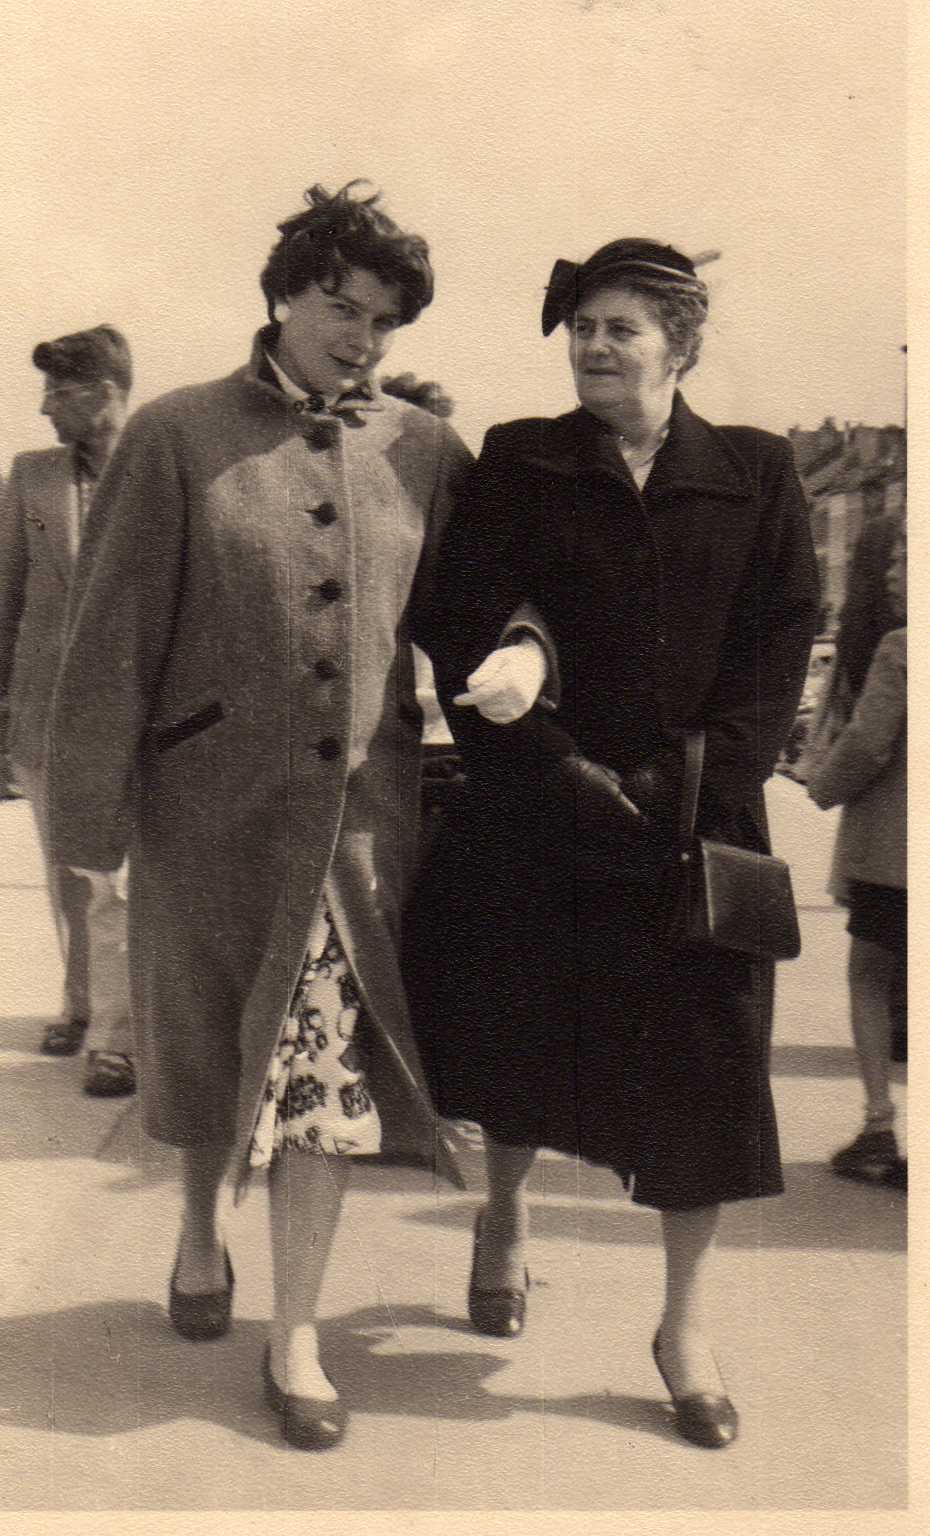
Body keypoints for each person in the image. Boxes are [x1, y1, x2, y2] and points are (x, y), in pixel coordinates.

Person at [46, 182, 542, 1451]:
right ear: (281, 295)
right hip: (206, 819)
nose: (360, 336)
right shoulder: (175, 434)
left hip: (358, 833)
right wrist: (91, 830)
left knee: (323, 1077)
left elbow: (489, 599)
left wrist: (524, 647)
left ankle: (298, 1335)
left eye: (382, 319)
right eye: (339, 305)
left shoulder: (426, 451)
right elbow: (109, 639)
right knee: (211, 1052)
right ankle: (197, 1226)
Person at [406, 238, 820, 1449]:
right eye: (583, 325)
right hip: (540, 809)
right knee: (521, 1042)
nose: (593, 346)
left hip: (693, 830)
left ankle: (683, 1328)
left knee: (708, 1083)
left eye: (620, 328)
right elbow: (459, 619)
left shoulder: (755, 472)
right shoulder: (521, 457)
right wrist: (554, 765)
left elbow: (779, 647)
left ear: (680, 345)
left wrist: (688, 776)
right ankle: (505, 1218)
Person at [0, 326, 135, 1095]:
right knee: (64, 871)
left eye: (60, 392)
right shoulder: (32, 476)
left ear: (107, 393)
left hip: (135, 714)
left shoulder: (157, 465)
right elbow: (6, 597)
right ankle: (81, 1004)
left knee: (118, 880)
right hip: (46, 710)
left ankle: (118, 1034)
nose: (46, 407)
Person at [807, 529, 907, 1189]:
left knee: (869, 977)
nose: (893, 572)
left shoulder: (902, 647)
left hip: (896, 859)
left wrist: (820, 784)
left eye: (905, 560)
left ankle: (879, 1128)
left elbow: (870, 742)